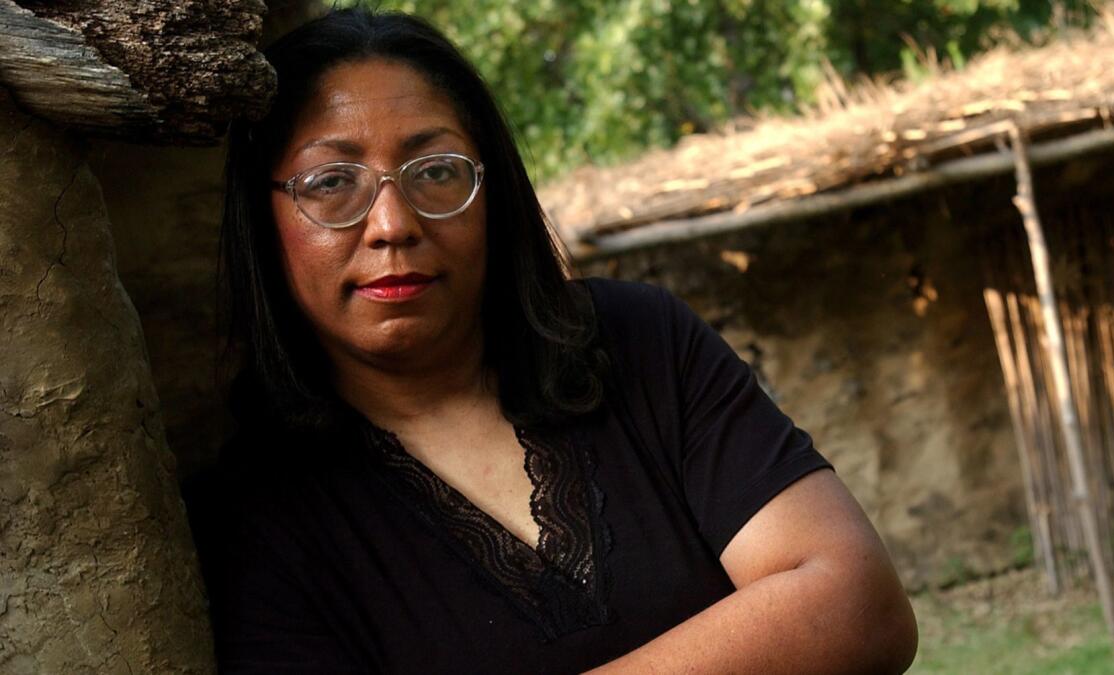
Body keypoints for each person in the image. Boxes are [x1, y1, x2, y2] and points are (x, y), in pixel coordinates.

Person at [192, 7, 918, 673]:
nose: (392, 223)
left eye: (437, 171)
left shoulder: (640, 345)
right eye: (330, 182)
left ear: (494, 191)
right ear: (265, 218)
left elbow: (859, 606)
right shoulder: (259, 521)